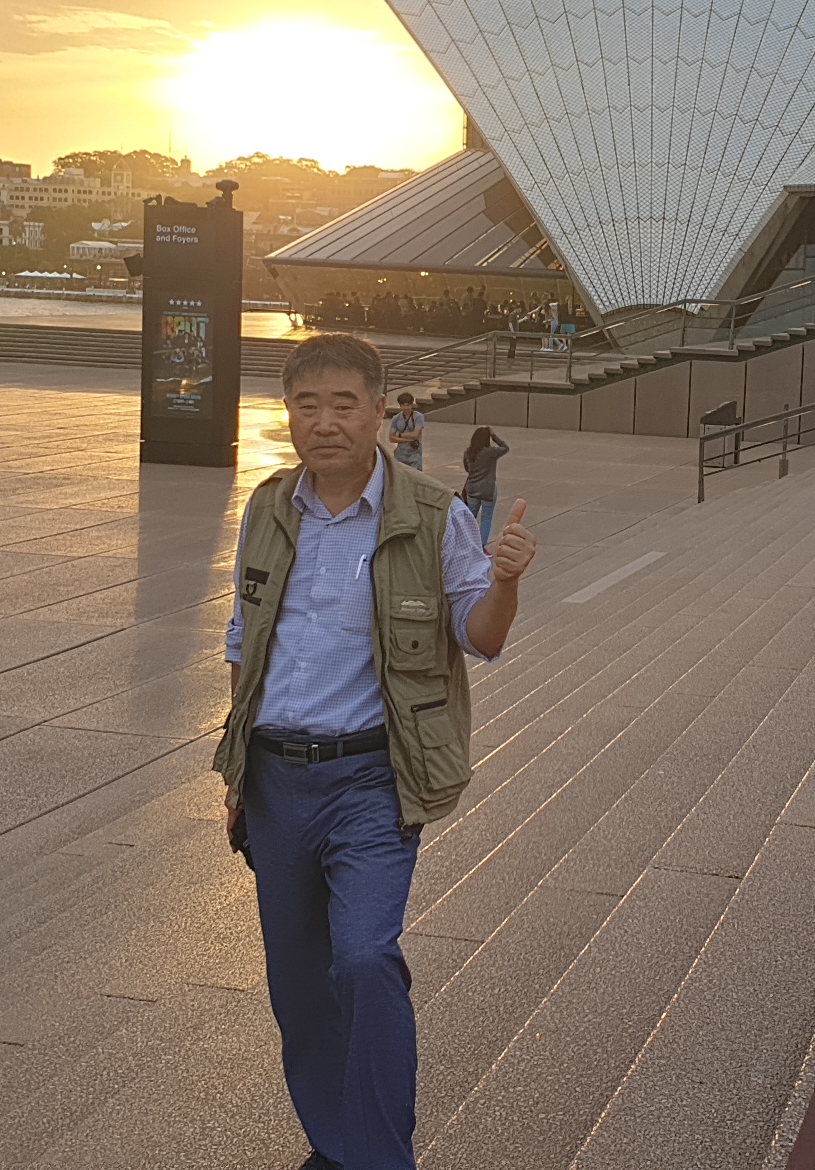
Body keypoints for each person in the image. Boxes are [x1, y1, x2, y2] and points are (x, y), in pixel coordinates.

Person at [220, 332, 537, 1170]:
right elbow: (243, 640)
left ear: (377, 410)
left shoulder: (431, 514)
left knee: (362, 958)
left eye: (342, 404)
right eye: (306, 404)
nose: (323, 422)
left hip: (372, 775)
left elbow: (480, 637)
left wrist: (503, 581)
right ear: (288, 412)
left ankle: (379, 1156)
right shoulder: (266, 506)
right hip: (273, 777)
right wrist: (233, 774)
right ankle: (336, 1143)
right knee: (298, 986)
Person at [460, 426, 510, 542]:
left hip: (472, 489)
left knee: (470, 517)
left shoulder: (468, 453)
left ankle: (466, 541)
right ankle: (481, 546)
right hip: (487, 489)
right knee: (486, 518)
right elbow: (505, 448)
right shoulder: (490, 453)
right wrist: (494, 436)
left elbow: (468, 469)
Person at [386, 392, 426, 470]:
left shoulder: (418, 417)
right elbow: (391, 438)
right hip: (400, 454)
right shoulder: (396, 418)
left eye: (408, 405)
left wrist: (400, 435)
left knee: (415, 477)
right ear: (400, 405)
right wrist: (409, 439)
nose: (406, 408)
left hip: (415, 453)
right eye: (403, 405)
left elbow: (416, 435)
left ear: (411, 405)